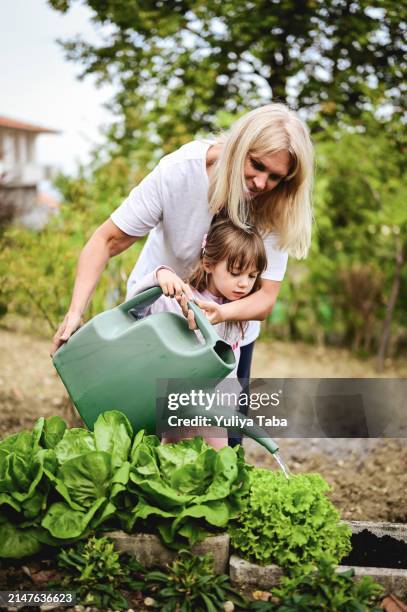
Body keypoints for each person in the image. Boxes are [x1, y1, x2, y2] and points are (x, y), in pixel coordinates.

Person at [51, 103, 314, 437]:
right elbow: (107, 240)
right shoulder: (181, 171)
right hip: (157, 325)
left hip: (226, 336)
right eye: (256, 165)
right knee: (142, 433)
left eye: (275, 176)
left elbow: (265, 298)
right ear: (238, 146)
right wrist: (75, 312)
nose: (262, 182)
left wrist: (218, 314)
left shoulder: (277, 205)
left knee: (223, 440)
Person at [130, 217, 267, 449]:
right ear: (208, 264)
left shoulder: (236, 314)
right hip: (178, 404)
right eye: (236, 273)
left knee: (217, 460)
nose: (244, 284)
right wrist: (158, 275)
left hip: (216, 409)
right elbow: (135, 309)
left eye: (252, 276)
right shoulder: (182, 299)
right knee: (172, 457)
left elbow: (231, 368)